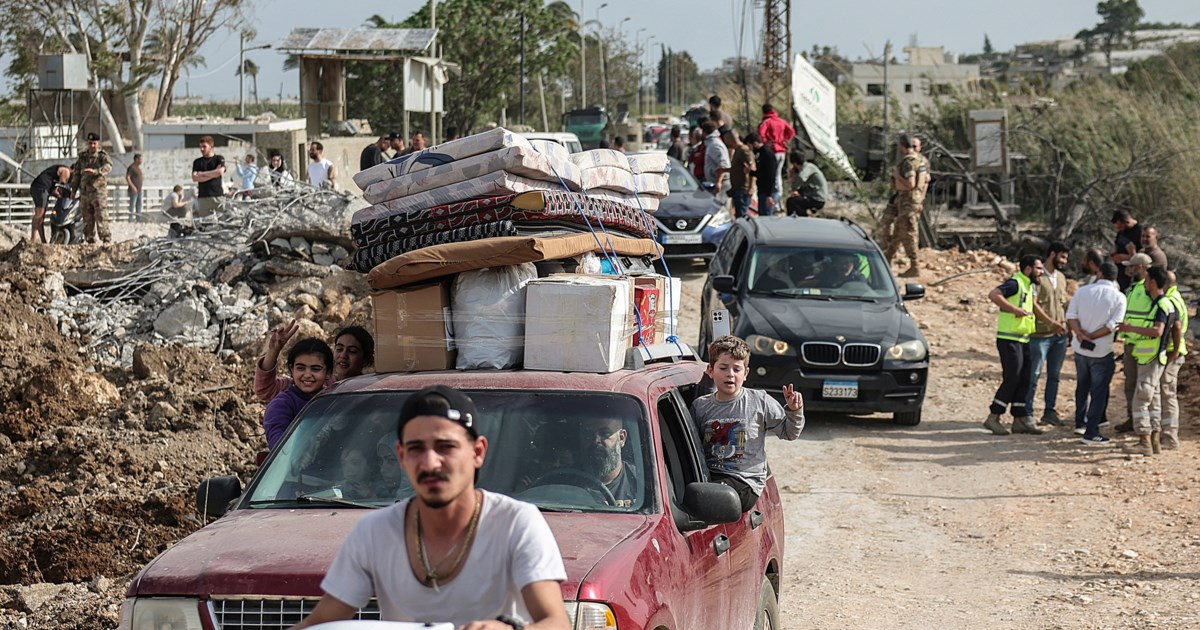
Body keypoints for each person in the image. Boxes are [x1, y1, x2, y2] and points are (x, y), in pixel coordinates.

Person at [290, 385, 570, 629]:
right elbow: (320, 624)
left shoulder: (516, 523)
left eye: (445, 447)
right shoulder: (374, 531)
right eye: (416, 449)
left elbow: (556, 623)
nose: (430, 462)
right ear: (401, 456)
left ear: (477, 452)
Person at [690, 336, 804, 512]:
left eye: (737, 369)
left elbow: (789, 433)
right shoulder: (700, 406)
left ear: (746, 374)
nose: (730, 374)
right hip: (710, 476)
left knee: (702, 498)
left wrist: (794, 411)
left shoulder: (759, 401)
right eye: (723, 368)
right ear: (710, 371)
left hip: (744, 482)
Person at [982, 255, 1047, 436]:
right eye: (1039, 268)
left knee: (1025, 378)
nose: (1041, 272)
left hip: (1023, 338)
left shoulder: (1028, 284)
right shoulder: (1016, 283)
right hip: (1009, 339)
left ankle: (1020, 418)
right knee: (1012, 378)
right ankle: (993, 416)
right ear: (1028, 269)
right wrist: (1014, 310)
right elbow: (994, 294)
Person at [1116, 266, 1177, 456]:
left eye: (1147, 279)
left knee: (1141, 400)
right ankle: (1155, 441)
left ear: (1152, 282)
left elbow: (1158, 331)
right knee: (1154, 400)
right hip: (1153, 358)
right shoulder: (1166, 303)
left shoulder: (1161, 305)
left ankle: (1144, 441)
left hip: (1149, 358)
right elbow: (1175, 329)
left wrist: (1130, 328)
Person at [1067, 261, 1126, 444]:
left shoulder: (1082, 291)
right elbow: (1112, 326)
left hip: (1080, 348)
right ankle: (1092, 431)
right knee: (1098, 392)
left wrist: (1081, 334)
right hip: (1101, 350)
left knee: (1082, 387)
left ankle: (1080, 423)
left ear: (1099, 274)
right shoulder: (1119, 297)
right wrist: (1092, 336)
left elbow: (1071, 316)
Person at [255, 319, 374, 402]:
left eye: (352, 351)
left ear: (367, 360)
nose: (343, 355)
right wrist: (273, 350)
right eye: (339, 349)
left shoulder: (372, 391)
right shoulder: (317, 383)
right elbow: (265, 390)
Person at [1025, 242, 1070, 427]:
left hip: (1058, 337)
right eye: (1062, 257)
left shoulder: (1061, 278)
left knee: (1054, 376)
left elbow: (1062, 304)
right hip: (1039, 335)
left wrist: (1067, 326)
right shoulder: (1037, 276)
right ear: (1052, 254)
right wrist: (1051, 322)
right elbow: (1033, 304)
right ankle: (1026, 412)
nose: (1064, 262)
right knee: (1033, 375)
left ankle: (1049, 412)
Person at [262, 337, 333, 450]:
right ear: (291, 369)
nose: (307, 375)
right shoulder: (281, 405)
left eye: (315, 369)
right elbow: (281, 450)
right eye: (301, 368)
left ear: (328, 373)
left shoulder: (334, 400)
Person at [1115, 252, 1153, 433]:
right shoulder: (1133, 289)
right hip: (1131, 344)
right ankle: (1133, 420)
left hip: (1146, 345)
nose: (1127, 270)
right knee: (1130, 384)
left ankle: (1148, 426)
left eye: (1130, 266)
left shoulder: (1149, 288)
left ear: (1139, 268)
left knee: (1146, 387)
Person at [882, 134, 930, 277]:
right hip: (907, 202)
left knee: (908, 234)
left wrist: (897, 176)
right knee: (898, 233)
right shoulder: (919, 160)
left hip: (908, 202)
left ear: (902, 146)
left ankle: (915, 266)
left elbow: (910, 184)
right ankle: (886, 260)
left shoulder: (909, 162)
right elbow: (925, 180)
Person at [1157, 271, 1188, 450]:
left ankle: (1170, 436)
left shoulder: (1171, 300)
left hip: (1172, 353)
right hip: (1173, 352)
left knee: (1167, 394)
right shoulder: (1175, 296)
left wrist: (1174, 352)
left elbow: (1176, 328)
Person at [578, 416, 638, 507]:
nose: (595, 441)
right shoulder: (564, 483)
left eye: (604, 433)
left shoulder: (642, 484)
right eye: (588, 433)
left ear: (621, 438)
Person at [69, 132, 113, 244]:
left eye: (94, 143)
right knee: (87, 219)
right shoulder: (82, 157)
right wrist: (73, 190)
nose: (92, 146)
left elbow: (108, 167)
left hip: (98, 193)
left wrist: (96, 172)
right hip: (85, 193)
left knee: (101, 217)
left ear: (98, 143)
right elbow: (77, 174)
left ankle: (106, 240)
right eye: (90, 143)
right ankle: (90, 241)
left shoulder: (102, 156)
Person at [757, 103, 795, 194]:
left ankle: (774, 199)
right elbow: (791, 131)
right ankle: (779, 198)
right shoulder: (781, 121)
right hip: (782, 150)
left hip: (773, 151)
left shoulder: (767, 122)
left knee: (771, 175)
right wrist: (784, 139)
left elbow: (760, 134)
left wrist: (766, 143)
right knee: (778, 175)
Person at [28, 164, 71, 243]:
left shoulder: (58, 170)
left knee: (41, 215)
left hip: (41, 188)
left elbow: (55, 189)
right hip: (41, 188)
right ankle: (33, 239)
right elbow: (60, 188)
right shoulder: (67, 171)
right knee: (39, 214)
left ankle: (42, 240)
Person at [191, 135, 226, 220]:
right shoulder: (197, 162)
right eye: (200, 147)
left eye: (204, 146)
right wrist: (213, 174)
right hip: (203, 197)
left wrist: (202, 174)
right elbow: (195, 178)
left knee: (223, 221)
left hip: (218, 196)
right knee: (205, 223)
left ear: (211, 145)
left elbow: (220, 172)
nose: (202, 149)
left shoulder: (219, 159)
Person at [786, 151, 828, 217]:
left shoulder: (807, 168)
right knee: (796, 199)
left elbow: (801, 178)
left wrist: (794, 189)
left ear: (794, 163)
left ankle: (802, 219)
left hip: (817, 199)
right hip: (812, 195)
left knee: (791, 201)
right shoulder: (808, 167)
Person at [745, 132, 778, 216]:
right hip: (762, 190)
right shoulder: (759, 154)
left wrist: (769, 195)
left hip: (767, 191)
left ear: (755, 143)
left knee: (766, 217)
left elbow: (771, 175)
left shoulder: (767, 154)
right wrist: (751, 172)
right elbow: (761, 172)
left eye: (750, 146)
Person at [724, 129, 754, 219]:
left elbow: (752, 168)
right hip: (737, 188)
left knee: (742, 216)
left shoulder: (743, 150)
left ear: (731, 139)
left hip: (742, 188)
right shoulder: (737, 150)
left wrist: (751, 187)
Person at [1110, 210, 1143, 291]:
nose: (1119, 229)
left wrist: (1126, 257)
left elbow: (1143, 254)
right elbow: (1116, 244)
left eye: (1120, 227)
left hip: (1132, 272)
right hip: (1119, 271)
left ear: (1127, 222)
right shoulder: (1122, 232)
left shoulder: (1140, 232)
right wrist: (1113, 254)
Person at [702, 121, 730, 195]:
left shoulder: (715, 145)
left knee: (720, 206)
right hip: (714, 183)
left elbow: (723, 165)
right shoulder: (711, 143)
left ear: (704, 132)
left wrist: (718, 182)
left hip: (720, 185)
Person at [125, 153, 144, 220]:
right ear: (136, 159)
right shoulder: (132, 167)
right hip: (133, 190)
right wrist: (132, 186)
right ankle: (130, 219)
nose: (142, 160)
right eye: (141, 159)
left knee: (139, 205)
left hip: (139, 190)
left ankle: (138, 219)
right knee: (132, 205)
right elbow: (128, 177)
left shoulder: (138, 168)